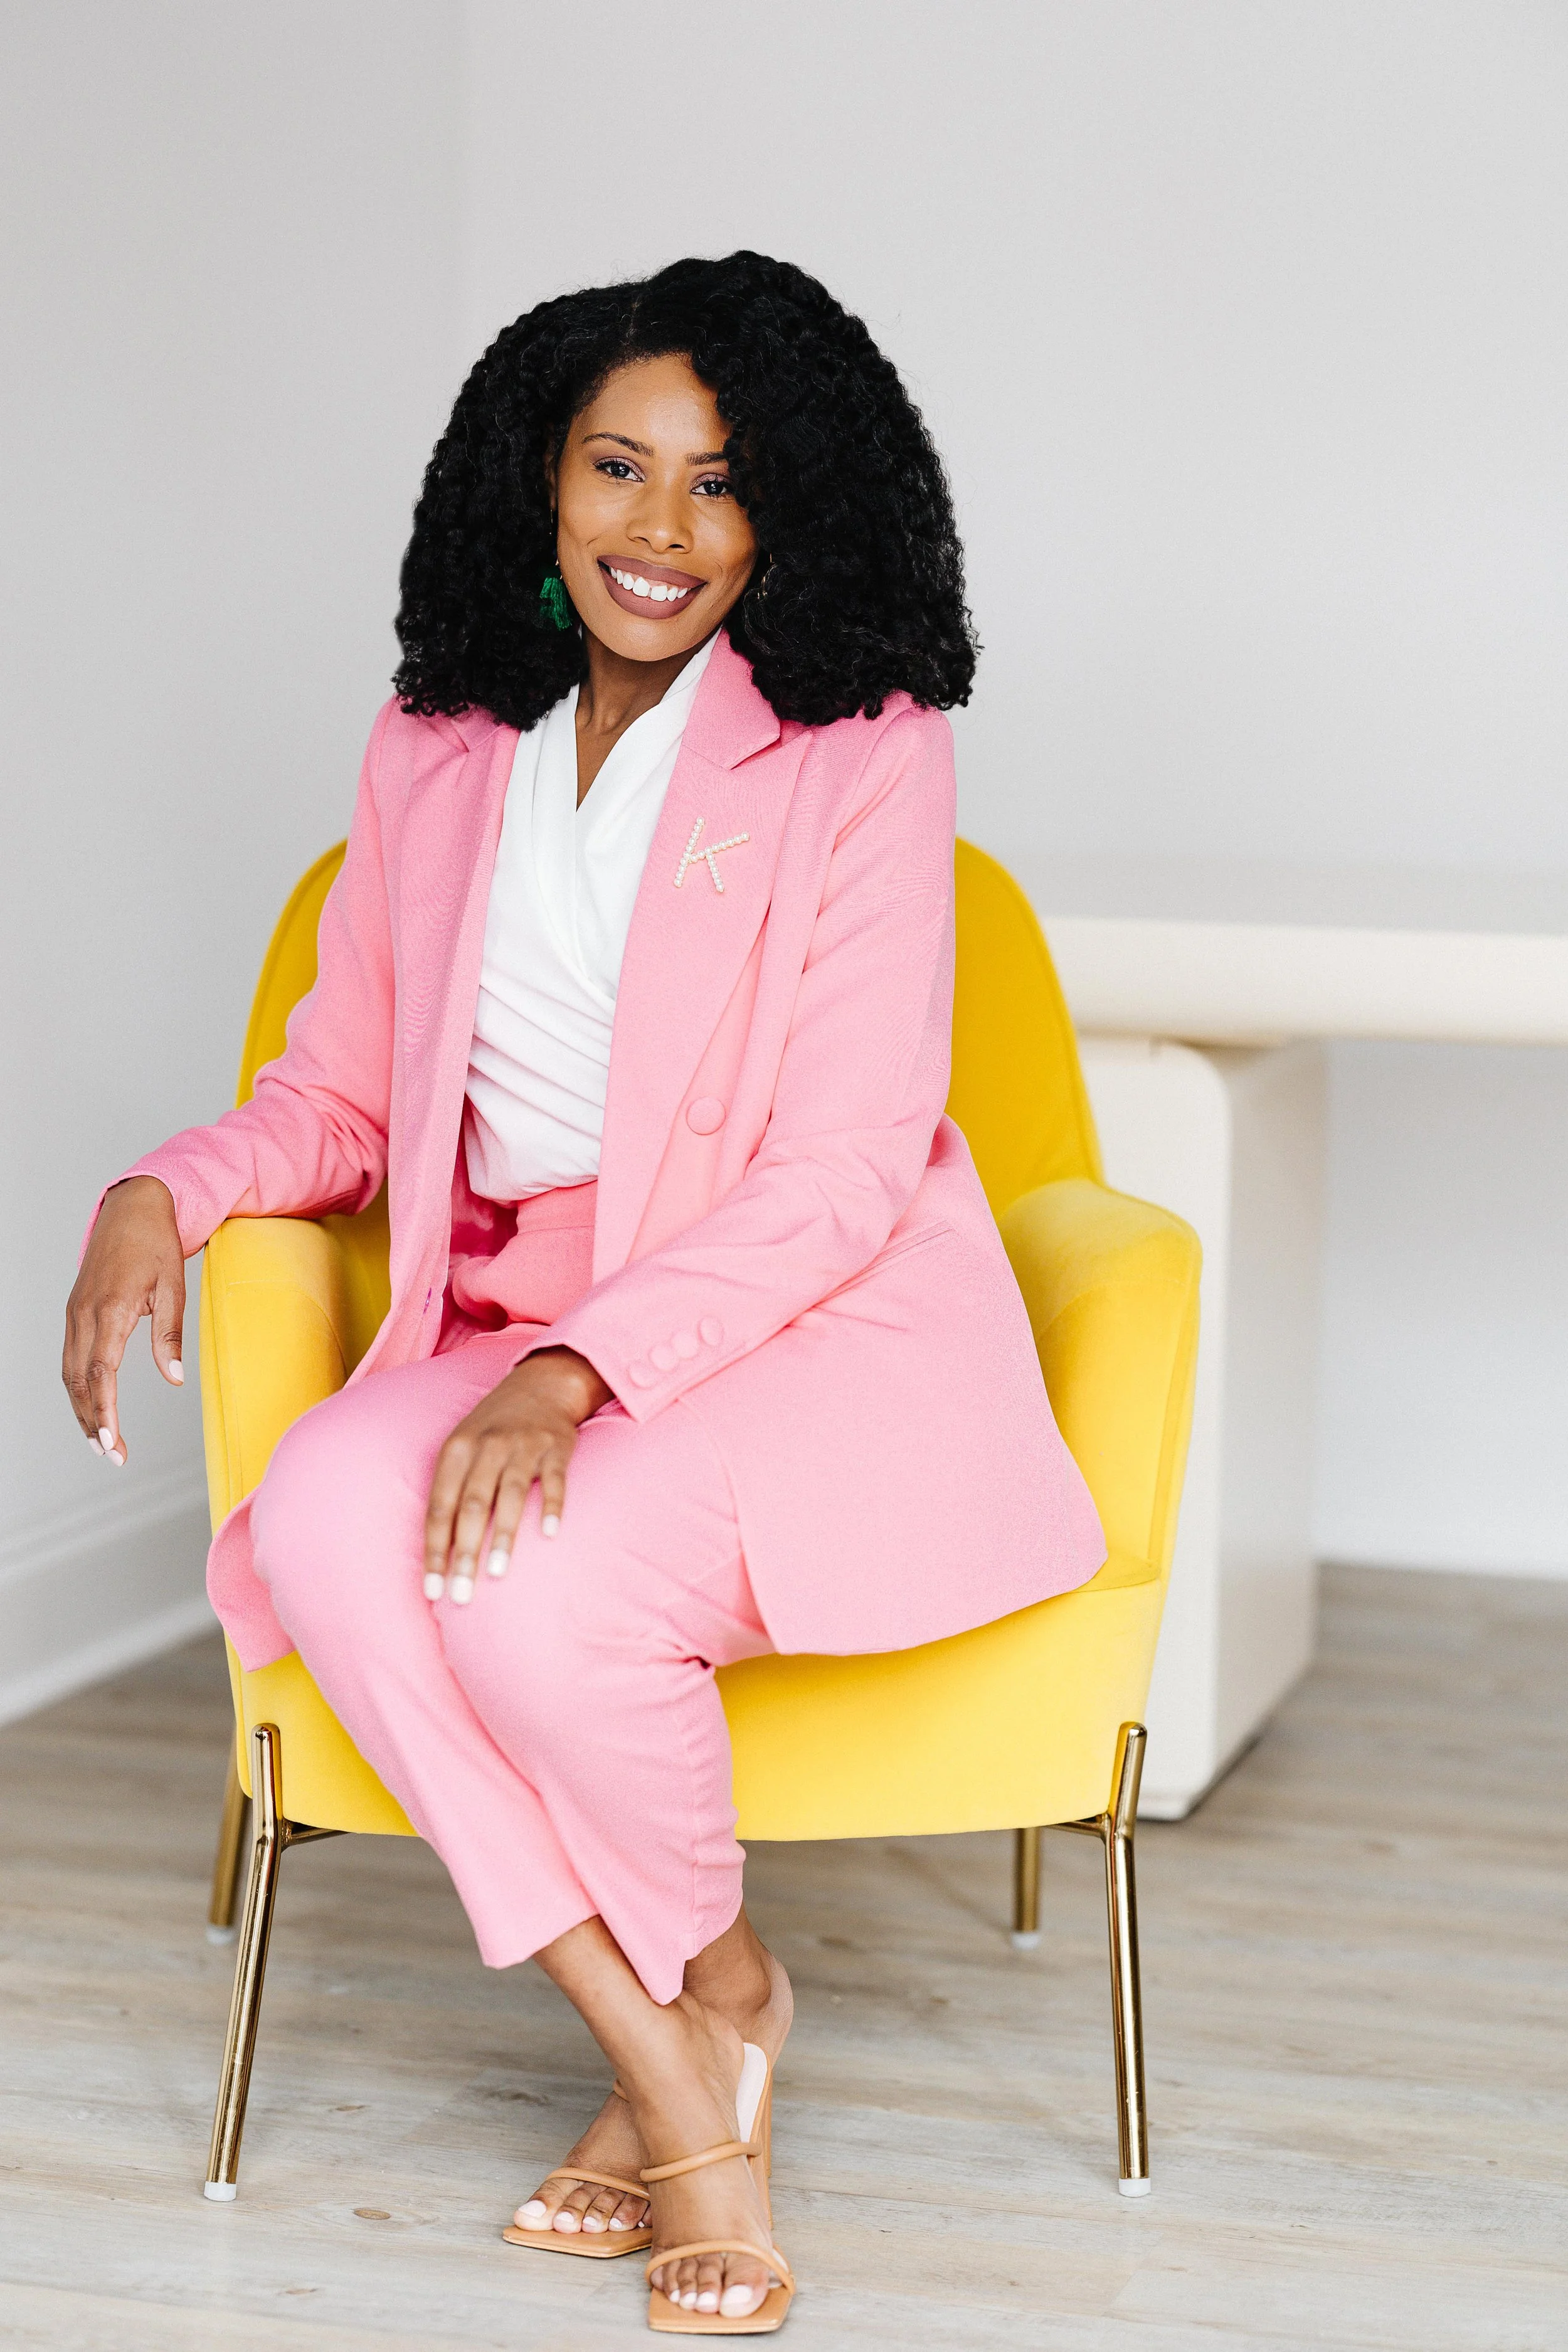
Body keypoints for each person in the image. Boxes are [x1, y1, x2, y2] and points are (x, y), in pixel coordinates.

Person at [63, 252, 1104, 2334]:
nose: (659, 529)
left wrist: (566, 1374)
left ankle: (690, 2115)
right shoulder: (440, 745)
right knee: (331, 1529)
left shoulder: (860, 752)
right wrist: (163, 1187)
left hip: (804, 1330)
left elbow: (833, 1172)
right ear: (532, 487)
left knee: (538, 1592)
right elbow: (346, 1091)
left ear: (789, 510)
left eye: (718, 486)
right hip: (517, 1311)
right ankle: (698, 2028)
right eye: (616, 468)